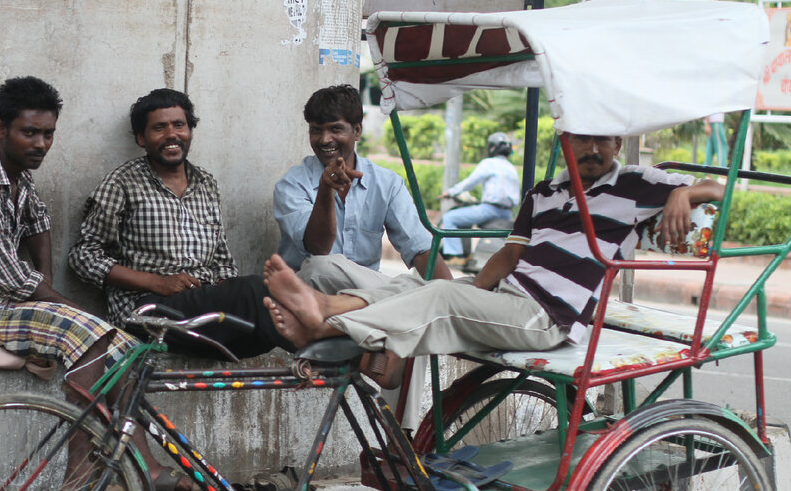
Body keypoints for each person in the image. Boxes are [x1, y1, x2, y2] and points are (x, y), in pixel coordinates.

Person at [262, 134, 725, 389]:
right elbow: (508, 255)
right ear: (565, 140)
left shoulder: (636, 184)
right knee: (417, 287)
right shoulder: (543, 193)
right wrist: (472, 292)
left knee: (438, 294)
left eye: (603, 140)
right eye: (582, 139)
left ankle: (323, 321)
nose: (592, 149)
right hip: (511, 297)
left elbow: (722, 191)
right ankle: (323, 315)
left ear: (618, 145)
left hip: (550, 318)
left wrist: (682, 192)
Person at [0, 76, 188, 491]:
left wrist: (44, 279)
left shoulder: (18, 178)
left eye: (48, 134)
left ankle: (140, 464)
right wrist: (64, 306)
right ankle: (81, 471)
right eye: (30, 132)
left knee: (123, 347)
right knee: (88, 333)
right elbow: (10, 278)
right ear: (0, 128)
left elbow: (39, 223)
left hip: (2, 299)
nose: (41, 144)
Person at [70, 88, 294, 359]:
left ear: (190, 131)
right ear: (142, 138)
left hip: (201, 308)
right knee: (257, 290)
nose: (171, 135)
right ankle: (320, 351)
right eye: (159, 128)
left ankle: (323, 342)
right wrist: (157, 282)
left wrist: (221, 291)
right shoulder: (122, 183)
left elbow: (223, 262)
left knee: (265, 306)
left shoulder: (206, 184)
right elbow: (83, 257)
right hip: (147, 312)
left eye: (179, 125)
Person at [273, 84, 451, 293]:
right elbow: (318, 248)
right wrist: (325, 189)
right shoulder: (292, 185)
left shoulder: (387, 183)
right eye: (316, 130)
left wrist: (452, 297)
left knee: (429, 289)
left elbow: (420, 250)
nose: (325, 139)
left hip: (365, 298)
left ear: (357, 131)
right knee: (321, 266)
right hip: (309, 293)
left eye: (335, 129)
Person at [439, 132, 521, 264]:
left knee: (450, 218)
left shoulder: (489, 163)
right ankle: (469, 255)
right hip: (506, 213)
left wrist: (451, 192)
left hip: (489, 210)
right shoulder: (512, 168)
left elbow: (470, 182)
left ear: (492, 147)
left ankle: (456, 256)